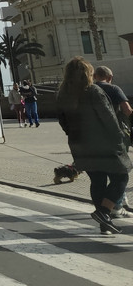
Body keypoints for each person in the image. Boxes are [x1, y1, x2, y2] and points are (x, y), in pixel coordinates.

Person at [56, 56, 131, 234]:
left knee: (97, 181)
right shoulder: (93, 91)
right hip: (104, 144)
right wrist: (119, 138)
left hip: (79, 146)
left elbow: (63, 122)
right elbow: (109, 118)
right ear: (87, 74)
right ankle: (104, 213)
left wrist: (74, 135)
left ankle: (104, 224)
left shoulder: (62, 94)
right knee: (121, 177)